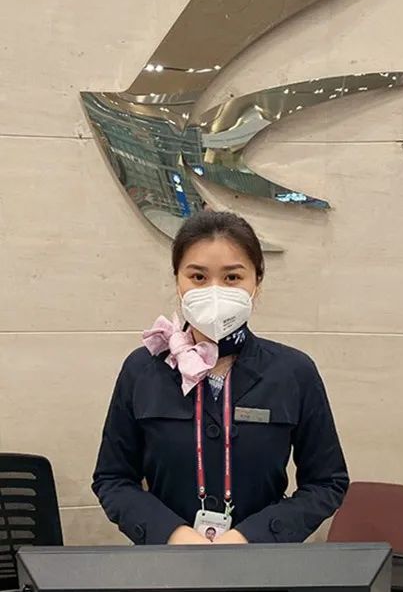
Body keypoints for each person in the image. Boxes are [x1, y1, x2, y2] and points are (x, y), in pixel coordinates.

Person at [92, 211, 349, 546]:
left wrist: (254, 535)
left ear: (256, 282)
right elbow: (112, 478)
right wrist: (170, 533)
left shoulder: (294, 372)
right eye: (198, 277)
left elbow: (327, 483)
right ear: (178, 281)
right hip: (167, 562)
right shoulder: (142, 369)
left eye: (232, 277)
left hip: (262, 563)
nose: (214, 291)